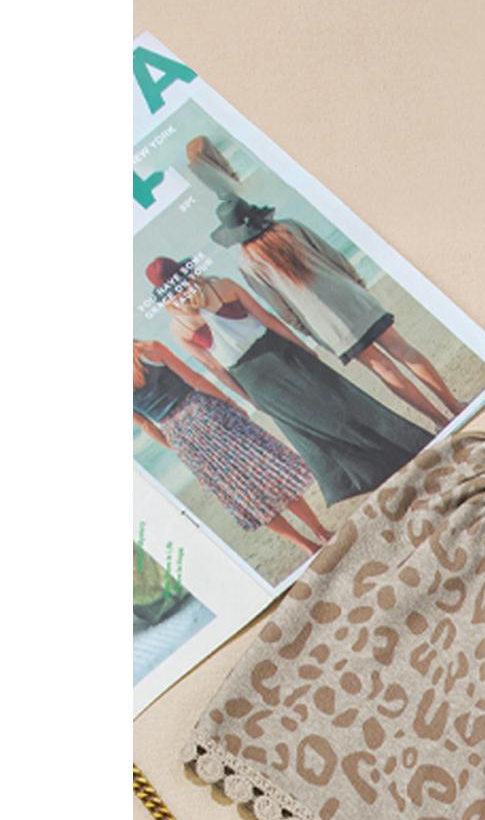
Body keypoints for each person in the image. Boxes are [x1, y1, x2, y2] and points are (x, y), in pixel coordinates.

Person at [184, 159, 465, 428]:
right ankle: (455, 406)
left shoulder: (248, 263)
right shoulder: (289, 227)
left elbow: (281, 308)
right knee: (403, 349)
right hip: (352, 298)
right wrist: (357, 283)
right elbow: (335, 257)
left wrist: (307, 330)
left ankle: (440, 421)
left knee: (383, 369)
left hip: (328, 325)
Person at [146, 257, 430, 506]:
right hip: (278, 351)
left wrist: (247, 397)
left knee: (307, 429)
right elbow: (268, 319)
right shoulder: (222, 287)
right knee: (342, 402)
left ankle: (365, 477)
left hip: (251, 377)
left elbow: (216, 368)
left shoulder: (178, 328)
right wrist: (301, 345)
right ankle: (406, 444)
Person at [132, 337, 330, 553]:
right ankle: (320, 530)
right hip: (203, 412)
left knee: (243, 493)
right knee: (265, 471)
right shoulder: (150, 349)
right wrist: (229, 401)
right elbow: (195, 379)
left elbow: (146, 425)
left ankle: (307, 546)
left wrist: (175, 446)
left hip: (178, 436)